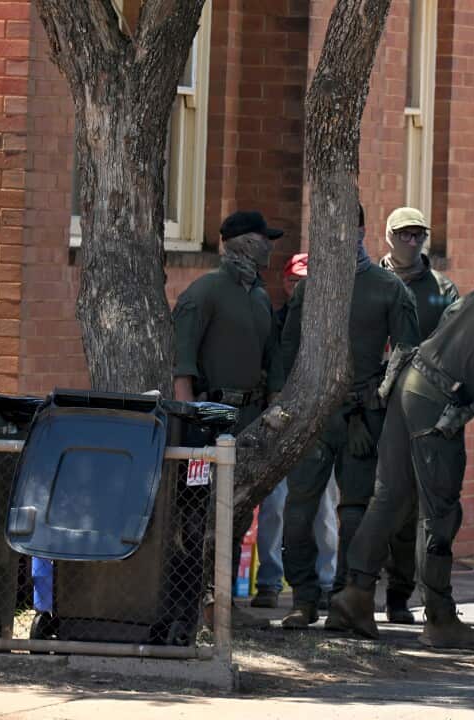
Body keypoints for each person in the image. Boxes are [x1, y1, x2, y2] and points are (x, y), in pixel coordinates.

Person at [326, 291, 474, 649]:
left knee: (389, 495)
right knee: (440, 513)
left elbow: (448, 320)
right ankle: (440, 618)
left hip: (408, 381)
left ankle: (355, 594)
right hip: (438, 403)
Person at [271, 205, 421, 629]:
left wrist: (379, 396)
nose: (339, 238)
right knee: (299, 507)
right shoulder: (311, 288)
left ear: (362, 230)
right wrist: (290, 403)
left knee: (355, 510)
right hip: (314, 414)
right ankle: (302, 597)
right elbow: (288, 348)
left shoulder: (387, 288)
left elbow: (406, 352)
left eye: (347, 229)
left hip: (362, 414)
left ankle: (347, 597)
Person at [172, 209, 283, 629]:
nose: (270, 247)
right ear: (242, 243)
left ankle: (224, 603)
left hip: (251, 418)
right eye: (263, 239)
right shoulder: (205, 292)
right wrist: (188, 420)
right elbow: (182, 363)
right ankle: (196, 604)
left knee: (238, 511)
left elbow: (271, 360)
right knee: (200, 514)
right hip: (211, 419)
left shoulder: (258, 295)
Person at [377, 207, 460, 624]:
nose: (413, 242)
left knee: (415, 506)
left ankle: (399, 594)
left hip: (421, 405)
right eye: (405, 235)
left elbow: (458, 345)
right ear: (388, 236)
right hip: (371, 404)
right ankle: (343, 590)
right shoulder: (370, 281)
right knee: (366, 502)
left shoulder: (442, 290)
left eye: (419, 236)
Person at [251, 254, 340, 609]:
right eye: (294, 280)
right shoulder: (273, 324)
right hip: (279, 427)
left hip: (320, 429)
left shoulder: (328, 328)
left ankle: (327, 581)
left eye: (307, 281)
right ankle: (270, 583)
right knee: (273, 507)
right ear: (285, 284)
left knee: (324, 508)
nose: (299, 287)